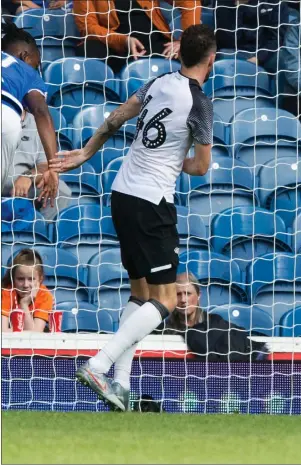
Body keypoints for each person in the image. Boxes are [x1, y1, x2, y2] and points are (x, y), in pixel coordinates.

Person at [50, 24, 216, 411]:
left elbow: (114, 119)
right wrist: (180, 161)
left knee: (139, 294)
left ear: (181, 54)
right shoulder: (200, 104)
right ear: (211, 58)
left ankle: (121, 385)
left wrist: (86, 152)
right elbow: (202, 167)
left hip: (122, 193)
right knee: (167, 298)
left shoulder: (158, 82)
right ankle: (98, 364)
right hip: (152, 202)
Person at [1, 23, 58, 205]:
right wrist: (53, 167)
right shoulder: (26, 71)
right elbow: (41, 112)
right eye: (36, 63)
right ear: (25, 57)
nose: (36, 68)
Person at [161, 272, 269, 362]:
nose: (183, 300)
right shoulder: (163, 329)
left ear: (199, 295)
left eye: (188, 294)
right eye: (178, 294)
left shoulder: (216, 323)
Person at [73, 0, 201, 73]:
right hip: (114, 46)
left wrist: (185, 40)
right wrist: (123, 40)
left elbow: (190, 2)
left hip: (153, 42)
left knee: (191, 53)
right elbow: (87, 26)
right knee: (89, 50)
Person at [2, 112, 71, 220]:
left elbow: (45, 165)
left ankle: (43, 231)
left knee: (61, 191)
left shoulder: (38, 123)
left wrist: (28, 176)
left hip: (23, 186)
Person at [214, 0, 289, 73]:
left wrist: (259, 58)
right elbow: (226, 40)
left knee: (282, 59)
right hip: (233, 51)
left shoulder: (276, 3)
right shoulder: (223, 3)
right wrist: (239, 6)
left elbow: (276, 38)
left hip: (264, 53)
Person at [1, 248, 53, 333]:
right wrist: (26, 331)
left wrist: (24, 304)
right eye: (20, 279)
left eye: (31, 279)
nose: (25, 285)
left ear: (40, 279)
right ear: (13, 279)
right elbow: (2, 331)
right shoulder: (7, 292)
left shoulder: (45, 296)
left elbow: (35, 333)